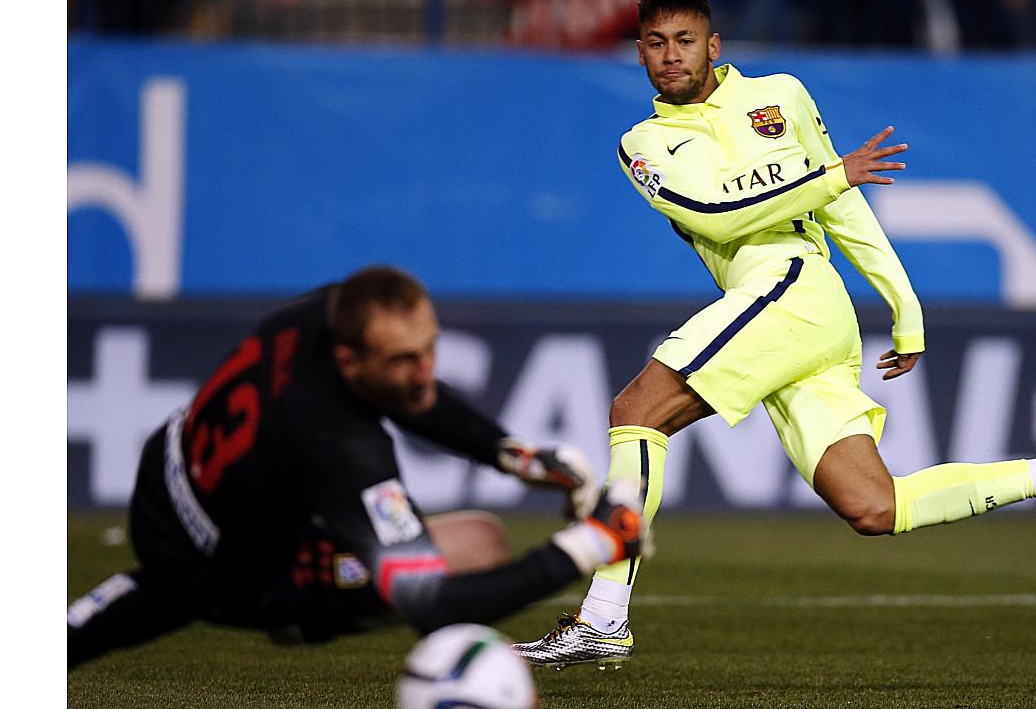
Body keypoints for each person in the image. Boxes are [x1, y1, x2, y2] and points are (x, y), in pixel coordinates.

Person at [512, 0, 1036, 669]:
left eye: (685, 41)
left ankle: (604, 616)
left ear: (713, 45)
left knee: (636, 412)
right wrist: (830, 178)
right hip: (784, 305)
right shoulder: (644, 142)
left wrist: (905, 307)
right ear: (639, 53)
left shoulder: (782, 95)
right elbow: (716, 212)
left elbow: (845, 207)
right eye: (656, 43)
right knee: (874, 506)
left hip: (797, 288)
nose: (671, 56)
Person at [68, 265, 646, 670]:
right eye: (403, 359)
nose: (425, 372)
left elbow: (411, 396)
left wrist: (512, 456)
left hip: (168, 467)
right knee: (478, 549)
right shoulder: (341, 447)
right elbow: (432, 606)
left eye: (429, 349)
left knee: (115, 618)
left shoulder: (327, 311)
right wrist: (592, 543)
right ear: (349, 361)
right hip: (225, 569)